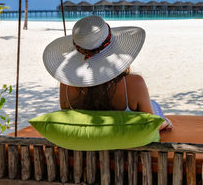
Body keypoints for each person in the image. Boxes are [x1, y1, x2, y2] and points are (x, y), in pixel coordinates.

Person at [42, 15, 172, 131]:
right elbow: (151, 125)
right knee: (154, 105)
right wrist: (165, 123)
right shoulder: (134, 83)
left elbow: (69, 121)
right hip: (128, 155)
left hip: (85, 155)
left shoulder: (66, 84)